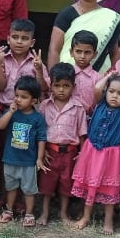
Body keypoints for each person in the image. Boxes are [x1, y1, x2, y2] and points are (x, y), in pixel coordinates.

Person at [72, 75, 120, 235]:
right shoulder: (100, 103)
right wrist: (110, 76)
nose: (115, 96)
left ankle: (108, 220)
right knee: (89, 184)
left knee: (110, 188)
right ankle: (86, 216)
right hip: (91, 151)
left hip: (111, 154)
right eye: (111, 91)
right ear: (106, 91)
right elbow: (96, 88)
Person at [49, 0, 120, 75]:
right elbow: (54, 50)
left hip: (100, 78)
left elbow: (115, 53)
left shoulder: (110, 17)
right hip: (66, 79)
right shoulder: (66, 14)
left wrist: (112, 77)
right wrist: (54, 78)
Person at [37, 63, 87, 226]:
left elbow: (81, 133)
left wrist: (82, 153)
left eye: (66, 86)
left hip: (70, 154)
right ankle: (44, 213)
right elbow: (40, 131)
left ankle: (63, 214)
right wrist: (42, 151)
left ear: (74, 86)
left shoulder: (78, 107)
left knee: (66, 185)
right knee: (46, 185)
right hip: (49, 152)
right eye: (57, 85)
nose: (61, 90)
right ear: (50, 85)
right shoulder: (45, 106)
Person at [0, 76, 48, 228]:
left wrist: (39, 159)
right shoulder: (12, 113)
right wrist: (10, 113)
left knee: (29, 189)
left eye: (24, 97)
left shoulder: (37, 118)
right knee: (10, 187)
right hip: (10, 158)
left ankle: (29, 213)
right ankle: (8, 210)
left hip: (28, 161)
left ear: (34, 101)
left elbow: (41, 139)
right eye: (17, 95)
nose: (18, 99)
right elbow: (0, 126)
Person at [67, 30, 100, 112]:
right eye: (78, 51)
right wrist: (39, 70)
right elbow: (46, 88)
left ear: (94, 54)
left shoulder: (98, 78)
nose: (82, 56)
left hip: (89, 119)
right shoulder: (65, 74)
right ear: (71, 52)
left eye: (87, 52)